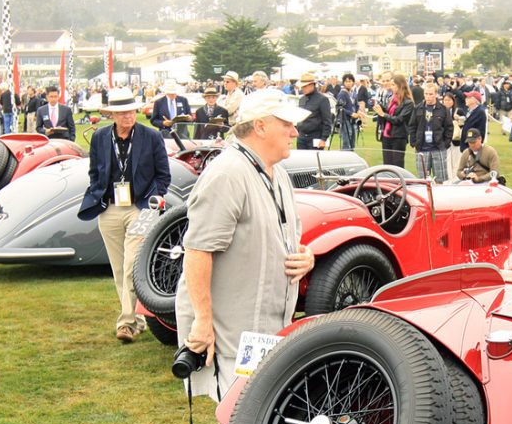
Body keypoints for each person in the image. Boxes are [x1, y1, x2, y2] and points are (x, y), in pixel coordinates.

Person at [177, 86, 315, 403]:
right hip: (230, 326)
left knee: (255, 413)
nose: (294, 132)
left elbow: (286, 235)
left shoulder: (277, 173)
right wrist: (202, 320)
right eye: (286, 124)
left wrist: (306, 257)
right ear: (260, 125)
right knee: (238, 411)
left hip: (266, 324)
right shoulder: (227, 173)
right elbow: (198, 250)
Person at [77, 88, 173, 342]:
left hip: (139, 207)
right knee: (119, 270)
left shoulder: (151, 137)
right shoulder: (100, 137)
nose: (128, 116)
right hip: (108, 207)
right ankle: (137, 318)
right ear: (112, 115)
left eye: (131, 111)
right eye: (122, 112)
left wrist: (153, 199)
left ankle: (126, 323)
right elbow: (95, 171)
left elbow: (164, 175)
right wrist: (97, 193)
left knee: (131, 264)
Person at [411, 82, 451, 181]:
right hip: (422, 149)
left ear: (436, 94)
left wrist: (445, 144)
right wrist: (414, 143)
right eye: (426, 94)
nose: (428, 97)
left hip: (438, 149)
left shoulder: (443, 109)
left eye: (431, 94)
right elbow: (412, 126)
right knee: (423, 180)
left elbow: (449, 127)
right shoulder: (418, 108)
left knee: (440, 180)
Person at [377, 73, 413, 168]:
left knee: (397, 165)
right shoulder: (392, 99)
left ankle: (399, 183)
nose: (390, 87)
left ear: (400, 86)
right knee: (387, 165)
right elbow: (390, 113)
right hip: (387, 136)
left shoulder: (408, 102)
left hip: (398, 137)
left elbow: (399, 119)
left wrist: (383, 114)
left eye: (393, 85)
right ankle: (389, 181)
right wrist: (380, 108)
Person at [294, 72, 332, 149]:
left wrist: (323, 139)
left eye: (305, 86)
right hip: (301, 137)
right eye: (302, 87)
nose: (303, 89)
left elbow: (327, 121)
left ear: (312, 85)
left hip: (315, 137)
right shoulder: (301, 100)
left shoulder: (322, 99)